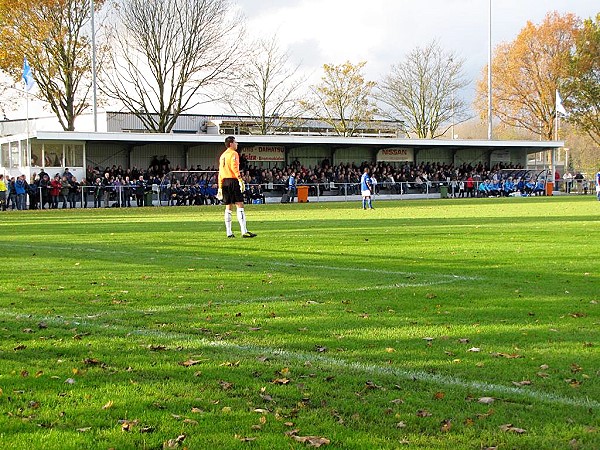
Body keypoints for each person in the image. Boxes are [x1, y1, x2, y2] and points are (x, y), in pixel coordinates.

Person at [217, 136, 257, 238]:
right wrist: (240, 179)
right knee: (240, 205)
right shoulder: (233, 154)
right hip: (233, 181)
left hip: (224, 182)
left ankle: (229, 232)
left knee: (228, 206)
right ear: (231, 143)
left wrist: (220, 186)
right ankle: (244, 231)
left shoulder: (222, 156)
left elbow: (220, 172)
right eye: (235, 142)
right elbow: (235, 167)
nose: (237, 144)